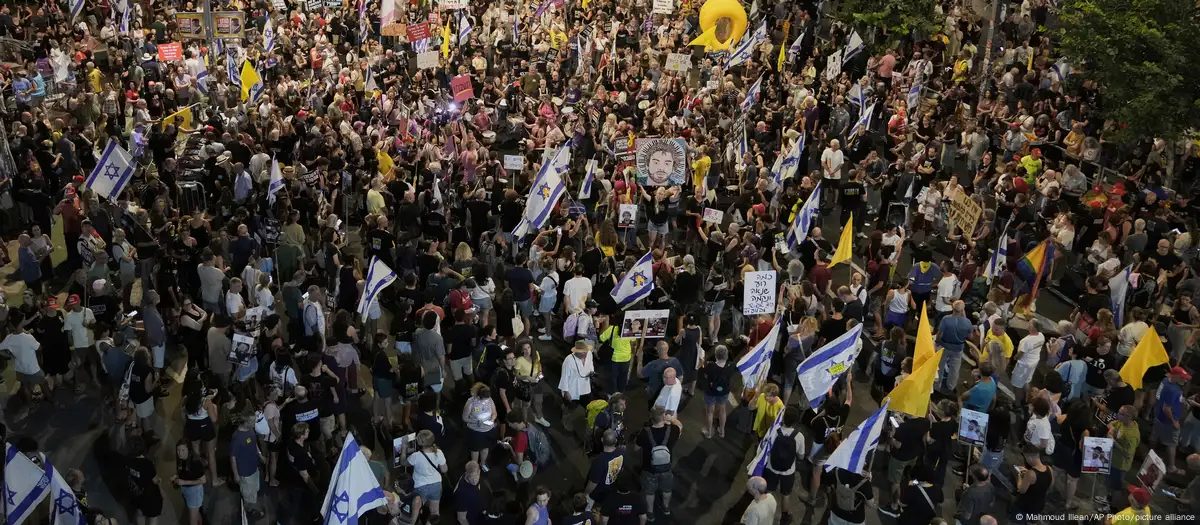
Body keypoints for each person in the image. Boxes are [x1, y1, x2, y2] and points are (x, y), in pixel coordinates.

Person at [636, 406, 681, 519]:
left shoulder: (644, 433)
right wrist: (671, 419)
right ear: (664, 416)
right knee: (667, 489)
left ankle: (650, 513)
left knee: (649, 492)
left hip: (649, 468)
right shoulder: (673, 430)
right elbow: (680, 426)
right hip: (666, 467)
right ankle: (666, 507)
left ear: (651, 418)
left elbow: (636, 448)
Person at [763, 407, 805, 524]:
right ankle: (784, 518)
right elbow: (801, 456)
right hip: (788, 471)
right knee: (786, 494)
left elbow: (764, 446)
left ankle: (765, 514)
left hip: (771, 467)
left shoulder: (774, 430)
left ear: (783, 418)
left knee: (768, 491)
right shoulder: (799, 436)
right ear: (795, 422)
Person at [1153, 366, 1191, 475]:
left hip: (1158, 415)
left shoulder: (1165, 380)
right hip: (1168, 421)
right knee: (1172, 444)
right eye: (1182, 378)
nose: (1185, 380)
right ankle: (1171, 467)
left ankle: (1152, 454)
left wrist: (1182, 400)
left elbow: (1163, 398)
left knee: (1155, 436)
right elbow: (1167, 408)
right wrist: (1174, 422)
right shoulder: (1174, 390)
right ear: (1176, 376)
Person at [407, 429, 448, 522]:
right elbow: (444, 469)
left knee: (416, 511)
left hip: (420, 486)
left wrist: (404, 448)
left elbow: (403, 462)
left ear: (420, 442)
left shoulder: (416, 456)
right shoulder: (439, 452)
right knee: (435, 512)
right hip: (436, 485)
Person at [1012, 444, 1054, 524]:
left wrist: (1020, 476)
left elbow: (1021, 490)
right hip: (1039, 504)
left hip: (1025, 506)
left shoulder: (1031, 474)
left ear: (1030, 458)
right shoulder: (1049, 469)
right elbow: (1050, 486)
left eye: (1026, 458)